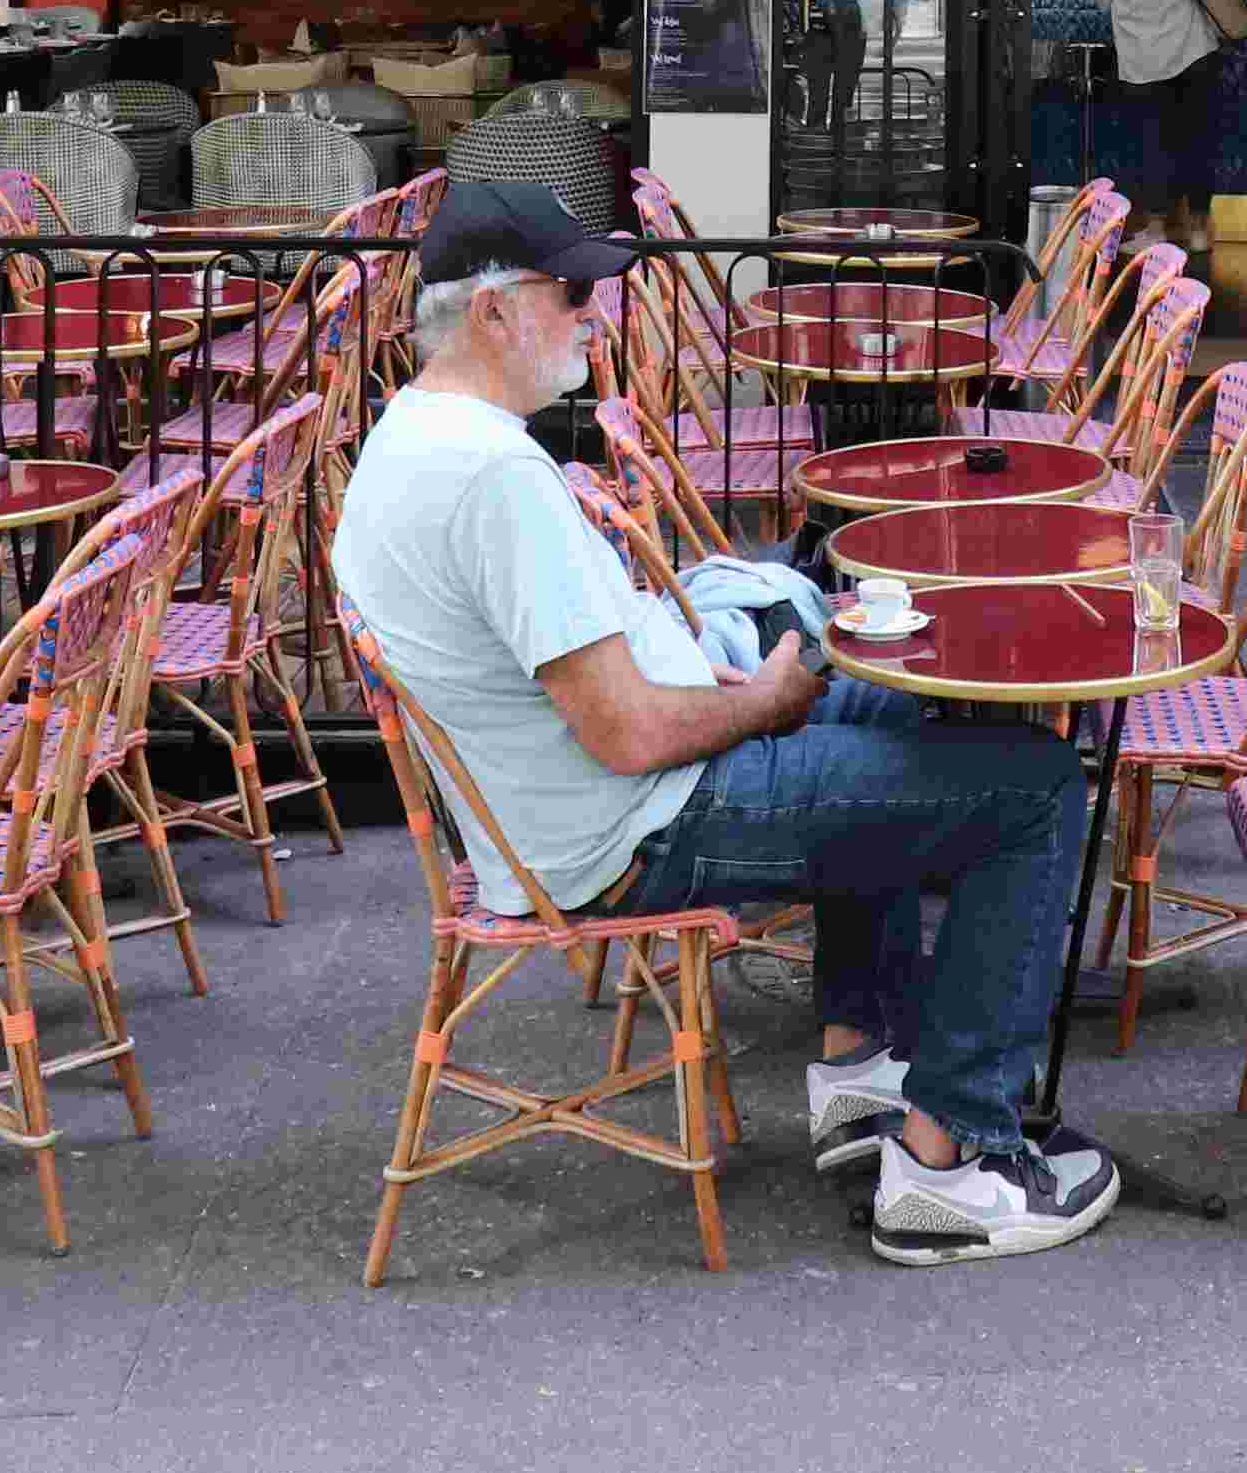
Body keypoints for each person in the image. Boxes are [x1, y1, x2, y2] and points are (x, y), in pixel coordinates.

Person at [325, 187, 1123, 1259]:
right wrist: (763, 700)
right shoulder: (490, 475)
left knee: (902, 710)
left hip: (580, 804)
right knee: (1033, 788)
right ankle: (952, 1164)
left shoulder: (420, 436)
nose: (593, 313)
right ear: (493, 313)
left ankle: (863, 1067)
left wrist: (737, 675)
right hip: (633, 824)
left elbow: (599, 690)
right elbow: (626, 735)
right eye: (572, 292)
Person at [1090, 0, 1247, 255]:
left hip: (1143, 66)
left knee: (1152, 146)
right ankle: (1197, 229)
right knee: (1196, 142)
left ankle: (1157, 227)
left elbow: (1100, 2)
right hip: (1195, 55)